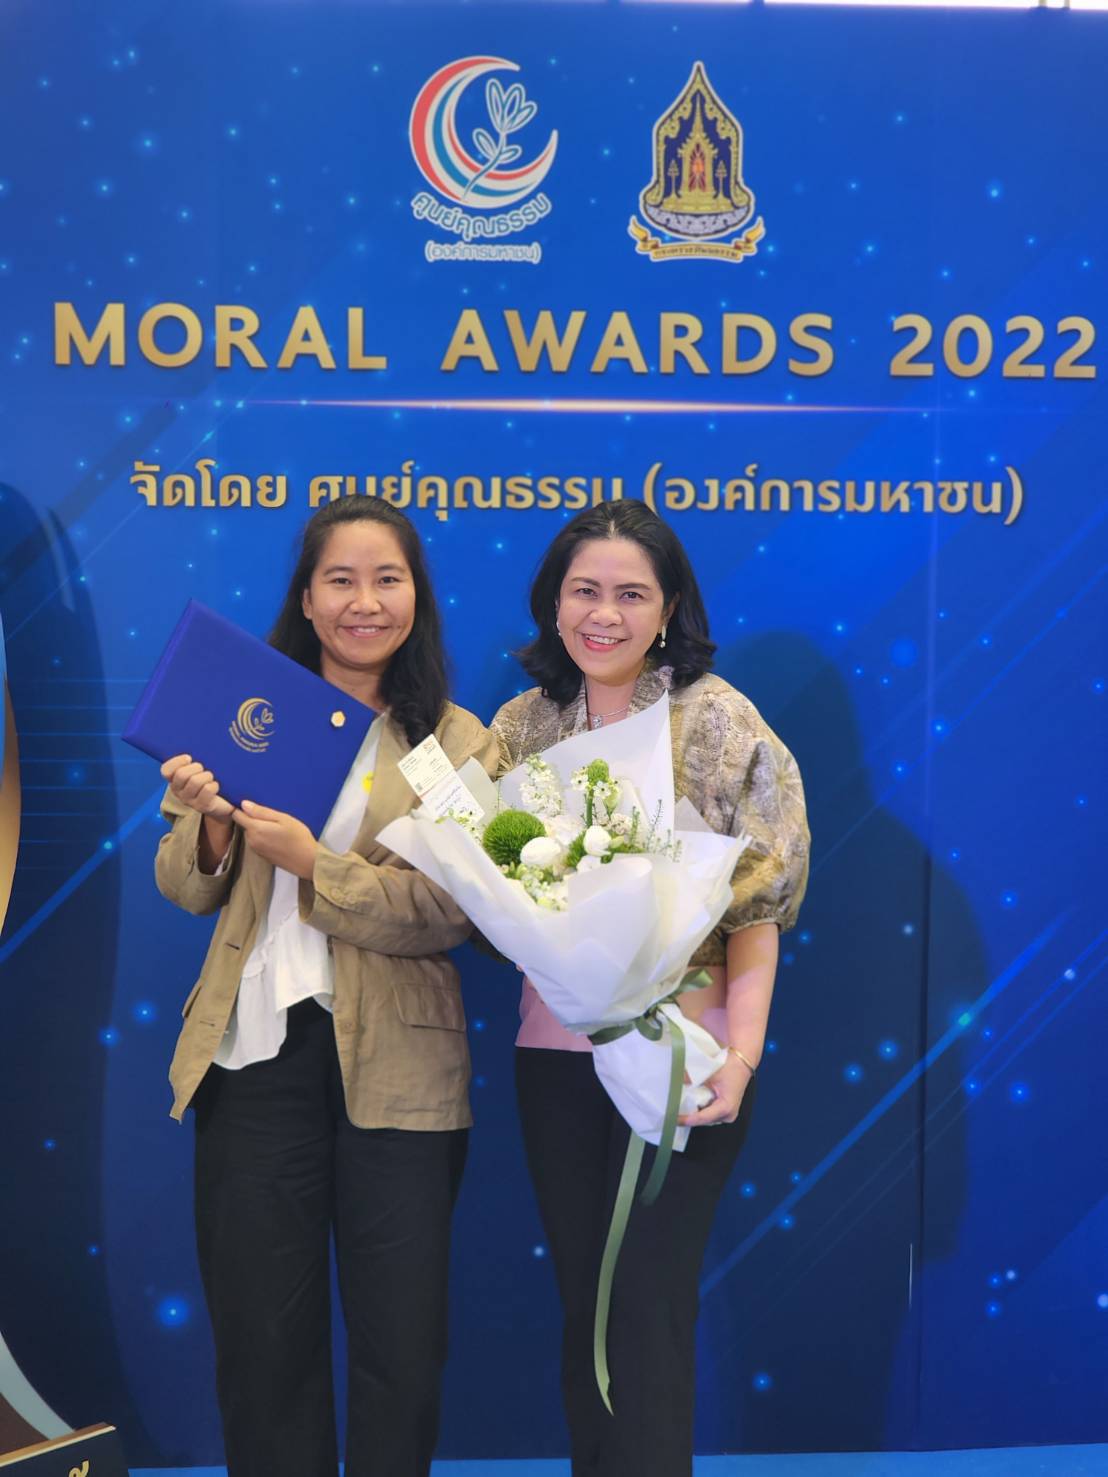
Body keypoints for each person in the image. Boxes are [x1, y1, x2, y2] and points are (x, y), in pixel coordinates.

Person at [155, 498, 497, 1477]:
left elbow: (454, 910)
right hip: (252, 1059)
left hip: (401, 1076)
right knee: (262, 1343)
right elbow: (184, 886)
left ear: (416, 597)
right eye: (340, 579)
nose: (364, 601)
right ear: (305, 598)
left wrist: (316, 865)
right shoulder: (247, 713)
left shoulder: (455, 744)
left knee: (403, 1351)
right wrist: (210, 822)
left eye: (387, 579)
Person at [491, 501, 810, 1477]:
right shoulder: (520, 727)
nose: (605, 614)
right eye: (584, 591)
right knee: (585, 1303)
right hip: (555, 1057)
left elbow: (758, 907)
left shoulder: (720, 721)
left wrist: (741, 1057)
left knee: (647, 1307)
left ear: (668, 608)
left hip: (685, 1058)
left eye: (631, 594)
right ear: (553, 604)